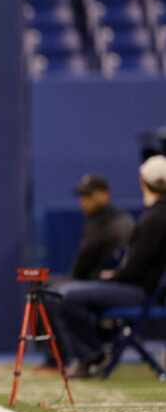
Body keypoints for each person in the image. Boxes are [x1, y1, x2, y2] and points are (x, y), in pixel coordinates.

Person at [51, 156, 166, 377]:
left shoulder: (154, 218)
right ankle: (92, 352)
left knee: (65, 296)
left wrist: (110, 278)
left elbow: (134, 270)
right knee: (65, 293)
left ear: (143, 182)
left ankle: (92, 354)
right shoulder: (155, 216)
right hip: (141, 288)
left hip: (137, 292)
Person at [70, 174, 134, 281]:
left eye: (89, 195)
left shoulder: (106, 222)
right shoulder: (119, 217)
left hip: (105, 282)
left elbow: (82, 266)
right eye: (82, 195)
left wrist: (72, 279)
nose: (83, 201)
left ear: (105, 194)